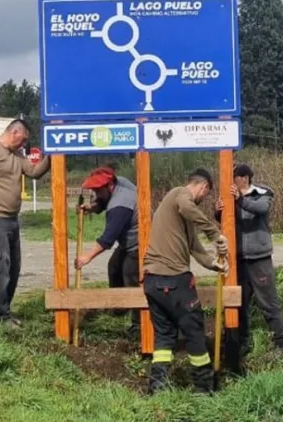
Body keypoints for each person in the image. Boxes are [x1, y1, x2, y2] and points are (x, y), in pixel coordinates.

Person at [142, 168, 229, 394]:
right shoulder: (180, 195)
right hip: (174, 281)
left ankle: (157, 389)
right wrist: (214, 232)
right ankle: (204, 389)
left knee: (164, 336)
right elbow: (188, 206)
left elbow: (194, 248)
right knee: (194, 333)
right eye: (206, 194)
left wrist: (214, 264)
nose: (203, 199)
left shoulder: (181, 214)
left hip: (152, 282)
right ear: (204, 187)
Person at [0, 119, 51, 327]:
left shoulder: (17, 155)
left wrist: (53, 154)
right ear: (14, 132)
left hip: (13, 219)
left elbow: (34, 171)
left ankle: (4, 310)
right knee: (0, 266)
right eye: (23, 140)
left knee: (14, 267)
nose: (24, 145)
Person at [215, 163, 283, 355]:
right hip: (238, 259)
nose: (231, 181)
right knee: (239, 303)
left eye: (235, 177)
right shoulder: (231, 198)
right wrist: (218, 210)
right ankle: (242, 343)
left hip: (259, 258)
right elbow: (225, 221)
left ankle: (281, 343)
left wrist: (240, 200)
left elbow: (260, 209)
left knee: (268, 301)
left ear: (244, 177)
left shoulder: (263, 194)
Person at [75, 166, 141, 339]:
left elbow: (107, 239)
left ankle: (139, 325)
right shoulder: (120, 183)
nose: (96, 192)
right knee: (114, 267)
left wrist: (87, 257)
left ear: (109, 185)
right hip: (129, 241)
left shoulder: (119, 206)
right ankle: (119, 307)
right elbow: (104, 201)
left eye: (98, 189)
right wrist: (92, 207)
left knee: (131, 276)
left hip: (141, 243)